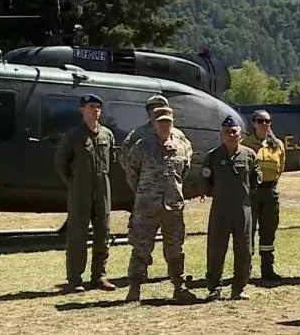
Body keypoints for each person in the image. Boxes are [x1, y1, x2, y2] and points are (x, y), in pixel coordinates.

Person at [123, 106, 197, 302]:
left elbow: (184, 172)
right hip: (147, 207)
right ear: (153, 124)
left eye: (168, 121)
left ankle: (179, 286)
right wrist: (145, 192)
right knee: (141, 247)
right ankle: (135, 288)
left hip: (173, 208)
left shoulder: (181, 147)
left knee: (175, 248)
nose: (165, 125)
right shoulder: (142, 146)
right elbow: (132, 173)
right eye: (161, 121)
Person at [54, 93, 116, 293]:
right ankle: (75, 279)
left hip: (102, 189)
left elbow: (112, 160)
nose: (96, 110)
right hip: (80, 190)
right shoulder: (72, 136)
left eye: (98, 107)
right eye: (91, 107)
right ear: (82, 110)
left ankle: (99, 276)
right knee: (78, 235)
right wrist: (73, 183)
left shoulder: (107, 134)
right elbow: (60, 165)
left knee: (103, 232)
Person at [202, 115, 261, 301]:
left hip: (243, 209)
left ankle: (239, 288)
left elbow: (255, 179)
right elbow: (206, 181)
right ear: (221, 135)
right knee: (216, 249)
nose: (231, 135)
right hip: (220, 209)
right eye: (227, 132)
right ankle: (214, 288)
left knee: (244, 249)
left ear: (240, 135)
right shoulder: (213, 156)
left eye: (234, 131)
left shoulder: (249, 155)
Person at [241, 109, 286, 281]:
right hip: (251, 192)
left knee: (268, 232)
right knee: (248, 231)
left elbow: (280, 167)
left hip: (270, 192)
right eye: (260, 121)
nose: (264, 124)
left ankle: (267, 268)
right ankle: (245, 269)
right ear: (253, 124)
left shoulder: (277, 145)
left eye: (267, 121)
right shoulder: (245, 143)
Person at [120, 95, 188, 169]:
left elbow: (186, 160)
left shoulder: (177, 135)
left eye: (162, 108)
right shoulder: (138, 134)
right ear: (149, 113)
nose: (159, 112)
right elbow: (126, 160)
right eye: (154, 109)